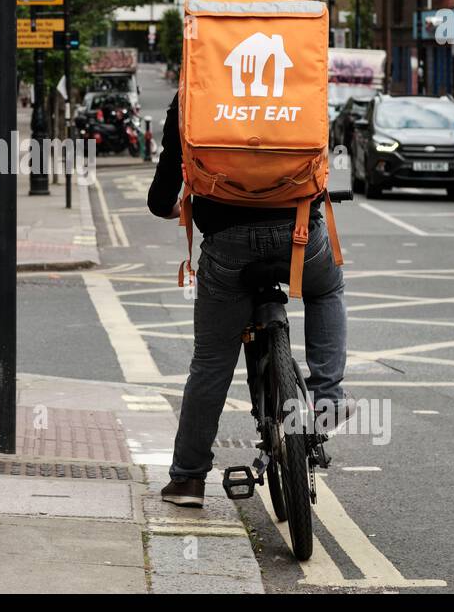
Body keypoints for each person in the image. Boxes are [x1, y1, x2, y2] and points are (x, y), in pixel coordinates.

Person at [147, 91, 348, 508]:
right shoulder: (298, 77)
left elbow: (162, 193)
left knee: (211, 362)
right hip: (298, 234)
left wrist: (171, 206)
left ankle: (187, 479)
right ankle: (328, 398)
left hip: (228, 246)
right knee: (326, 288)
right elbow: (326, 153)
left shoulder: (193, 93)